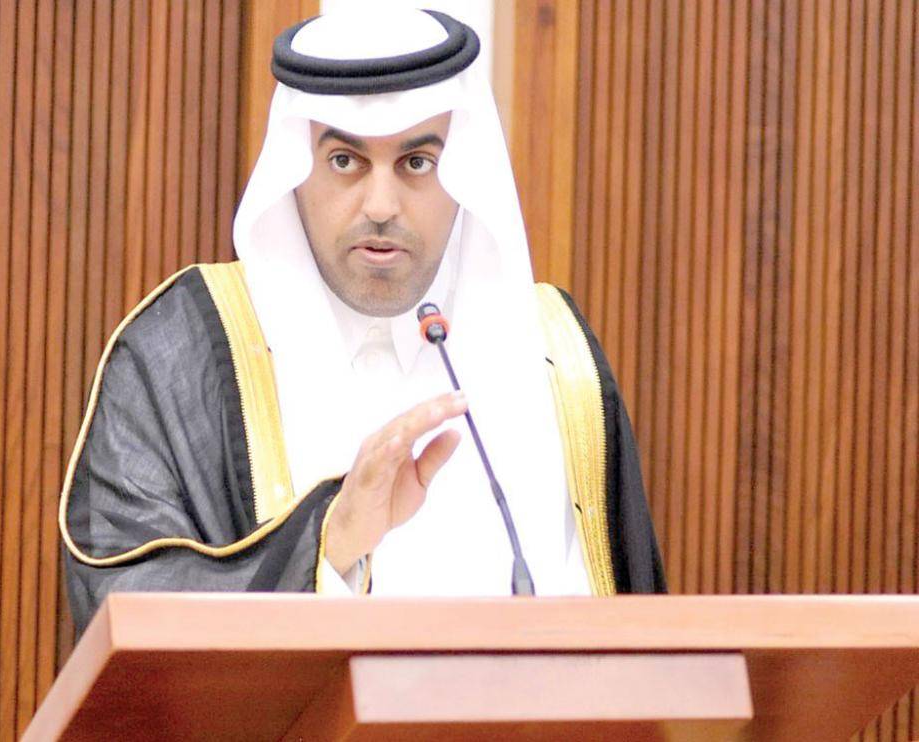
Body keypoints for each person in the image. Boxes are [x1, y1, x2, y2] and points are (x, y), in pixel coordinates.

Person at [60, 7, 666, 636]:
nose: (380, 205)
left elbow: (632, 635)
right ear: (297, 168)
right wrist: (329, 545)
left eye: (417, 163)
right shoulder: (179, 352)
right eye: (345, 161)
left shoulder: (554, 360)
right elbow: (121, 607)